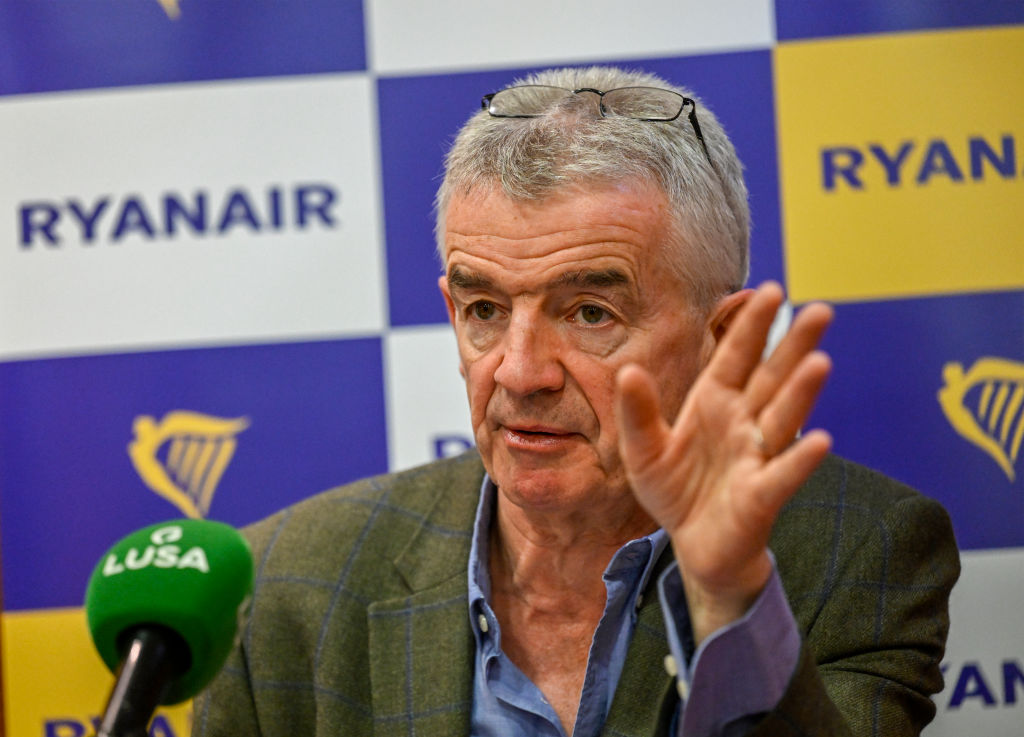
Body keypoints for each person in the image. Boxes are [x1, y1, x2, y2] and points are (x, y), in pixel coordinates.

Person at [193, 66, 959, 737]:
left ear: (721, 338)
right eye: (485, 309)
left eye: (591, 312)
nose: (520, 372)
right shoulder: (283, 585)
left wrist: (729, 598)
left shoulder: (863, 551)